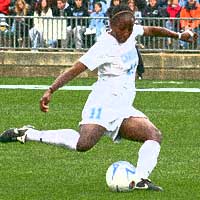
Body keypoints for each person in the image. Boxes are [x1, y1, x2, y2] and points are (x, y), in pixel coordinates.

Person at [0, 4, 197, 191]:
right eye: (122, 29)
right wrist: (51, 89)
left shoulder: (131, 30)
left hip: (122, 106)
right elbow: (76, 68)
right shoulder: (104, 45)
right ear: (111, 26)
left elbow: (152, 30)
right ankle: (27, 133)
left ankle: (140, 179)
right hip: (102, 103)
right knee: (82, 145)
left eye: (129, 28)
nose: (126, 33)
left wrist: (179, 34)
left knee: (154, 135)